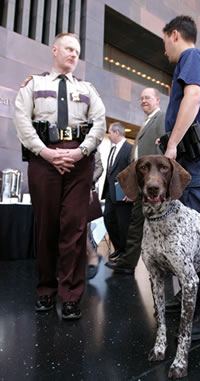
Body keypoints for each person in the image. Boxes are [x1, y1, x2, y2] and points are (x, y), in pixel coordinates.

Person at [14, 33, 106, 319]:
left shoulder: (88, 89)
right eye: (68, 48)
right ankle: (45, 290)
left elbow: (100, 122)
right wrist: (45, 152)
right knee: (46, 229)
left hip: (79, 160)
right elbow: (21, 120)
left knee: (74, 231)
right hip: (44, 159)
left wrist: (80, 152)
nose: (73, 54)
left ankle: (70, 296)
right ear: (54, 50)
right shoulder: (34, 84)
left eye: (77, 51)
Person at [162, 15, 200, 341]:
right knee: (188, 234)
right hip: (192, 160)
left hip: (195, 160)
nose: (165, 51)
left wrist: (172, 143)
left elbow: (194, 97)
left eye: (164, 43)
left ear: (175, 35)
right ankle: (192, 297)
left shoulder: (192, 56)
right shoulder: (192, 59)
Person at [105, 87, 165, 274]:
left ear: (157, 100)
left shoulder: (161, 118)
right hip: (142, 184)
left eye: (147, 98)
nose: (143, 101)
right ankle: (128, 262)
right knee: (136, 223)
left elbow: (164, 152)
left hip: (154, 185)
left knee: (158, 225)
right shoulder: (145, 123)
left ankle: (162, 265)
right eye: (141, 98)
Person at [103, 123, 133, 261]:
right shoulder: (112, 149)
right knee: (108, 220)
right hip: (110, 193)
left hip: (123, 194)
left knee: (123, 225)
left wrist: (131, 192)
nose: (108, 134)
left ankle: (125, 254)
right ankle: (119, 248)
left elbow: (133, 172)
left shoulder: (130, 149)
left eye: (109, 132)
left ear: (116, 133)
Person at [87, 150, 104, 280]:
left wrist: (89, 179)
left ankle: (92, 254)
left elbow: (100, 168)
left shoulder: (94, 151)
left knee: (82, 228)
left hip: (86, 189)